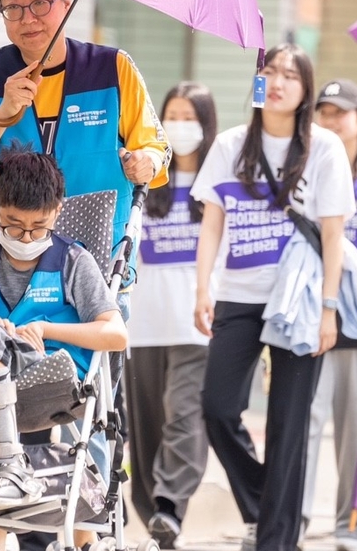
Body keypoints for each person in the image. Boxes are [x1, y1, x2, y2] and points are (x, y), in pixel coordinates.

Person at [0, 146, 128, 551]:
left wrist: (45, 327)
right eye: (14, 226)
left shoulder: (72, 260)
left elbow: (116, 334)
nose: (26, 237)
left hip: (55, 384)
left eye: (38, 227)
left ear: (57, 211)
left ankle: (14, 467)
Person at [191, 44, 354, 551]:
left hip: (302, 300)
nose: (278, 81)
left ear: (304, 89)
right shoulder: (230, 145)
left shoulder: (323, 148)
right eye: (269, 72)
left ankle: (276, 540)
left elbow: (332, 237)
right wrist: (204, 287)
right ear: (259, 82)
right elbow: (213, 223)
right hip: (239, 295)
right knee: (217, 406)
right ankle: (267, 499)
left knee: (289, 422)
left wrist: (329, 308)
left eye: (290, 74)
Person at [0, 0, 170, 292]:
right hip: (6, 270)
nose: (28, 18)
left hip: (99, 266)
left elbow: (157, 148)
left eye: (40, 2)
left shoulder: (112, 69)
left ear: (65, 2)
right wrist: (1, 116)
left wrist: (146, 162)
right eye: (13, 7)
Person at [124, 82, 218, 548]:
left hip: (195, 325)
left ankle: (169, 504)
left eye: (190, 116)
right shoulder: (142, 181)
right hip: (141, 325)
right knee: (144, 432)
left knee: (184, 416)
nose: (181, 125)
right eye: (172, 116)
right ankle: (157, 520)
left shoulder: (218, 182)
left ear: (207, 123)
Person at [302, 78, 357, 551]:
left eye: (340, 112)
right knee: (306, 420)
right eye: (323, 112)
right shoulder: (309, 169)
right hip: (314, 309)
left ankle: (355, 525)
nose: (330, 120)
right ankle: (294, 521)